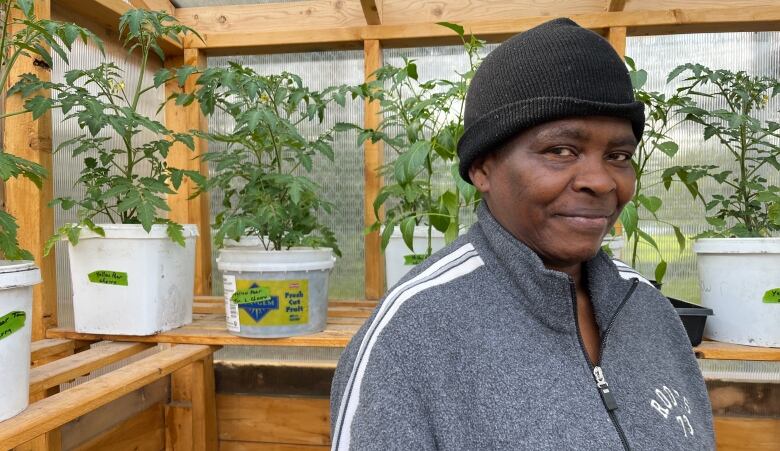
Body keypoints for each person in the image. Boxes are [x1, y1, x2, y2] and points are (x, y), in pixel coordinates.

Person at [330, 18, 714, 450]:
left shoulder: (648, 310)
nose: (602, 181)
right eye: (560, 151)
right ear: (483, 168)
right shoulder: (414, 331)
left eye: (618, 155)